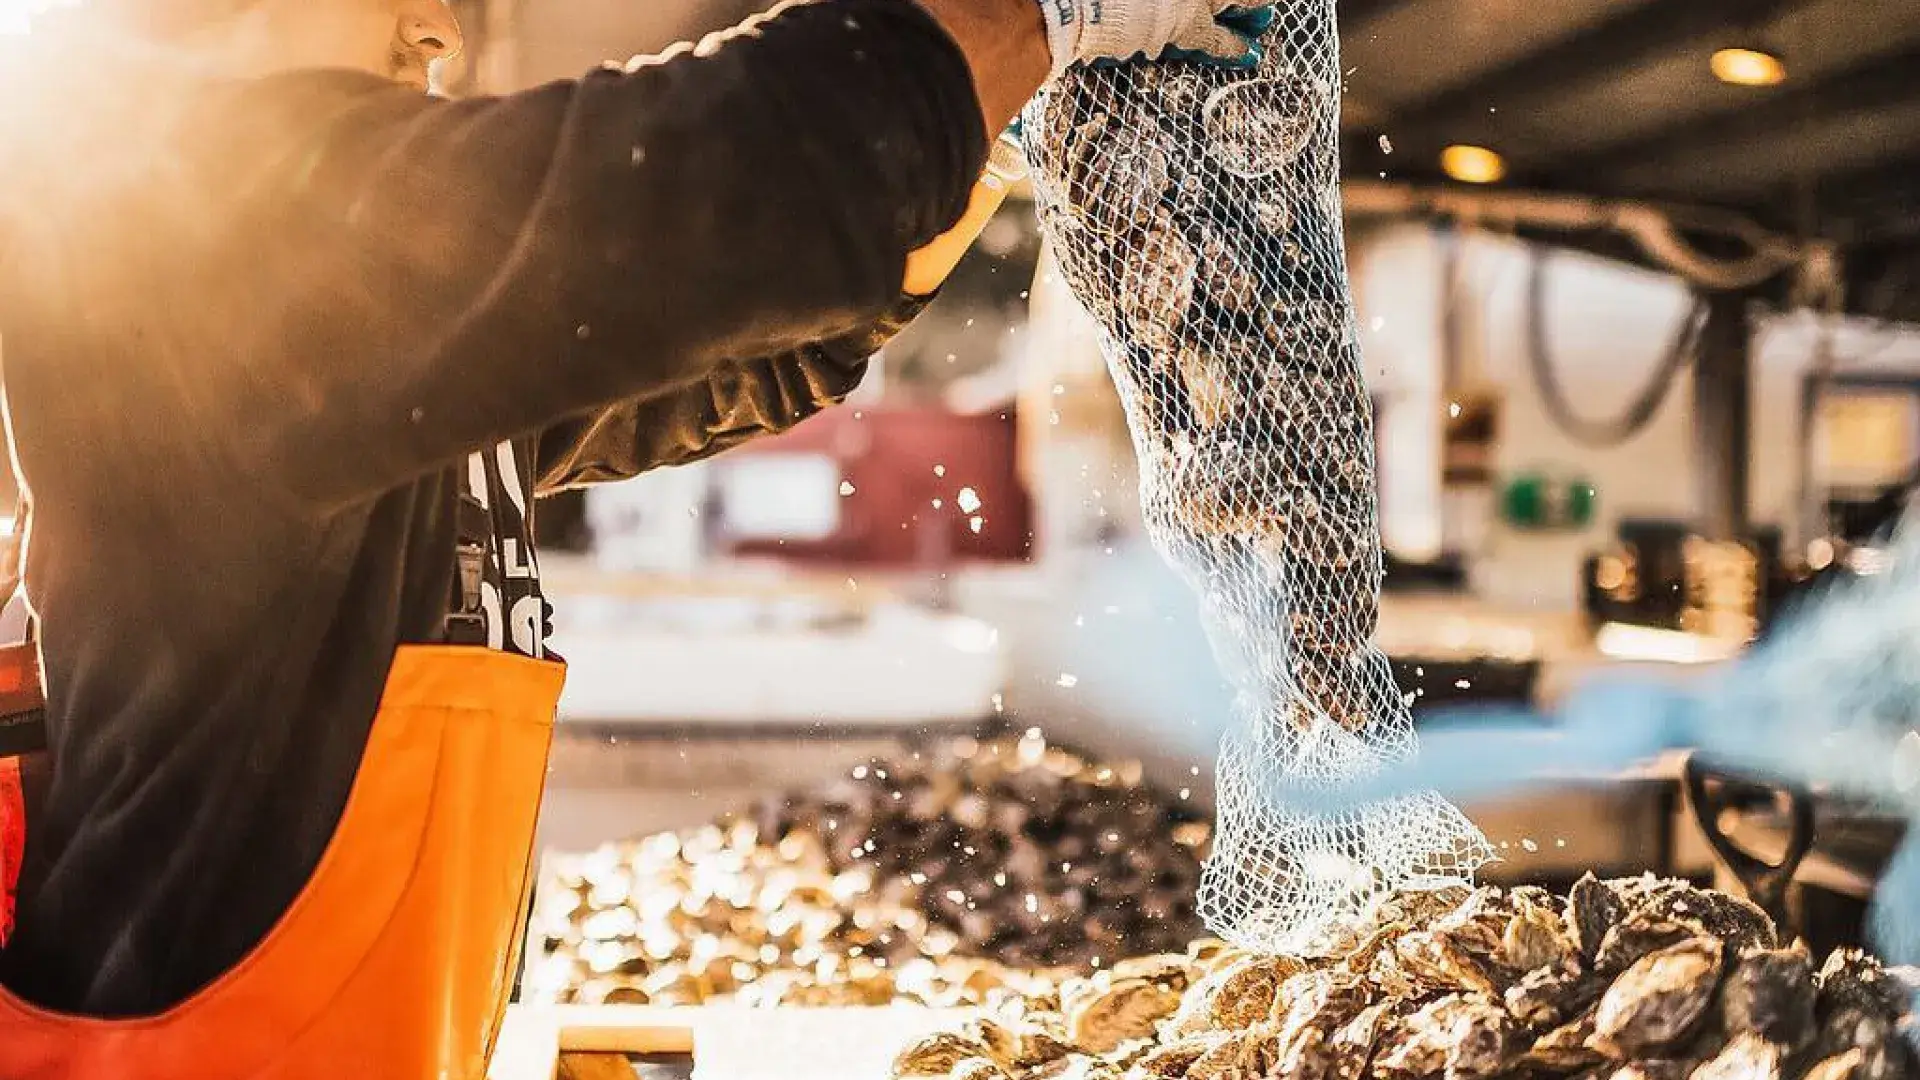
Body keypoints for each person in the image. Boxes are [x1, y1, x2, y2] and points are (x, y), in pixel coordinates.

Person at [0, 0, 1268, 1073]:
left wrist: (978, 142)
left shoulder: (344, 360)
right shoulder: (200, 251)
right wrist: (1021, 16)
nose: (436, 33)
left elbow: (735, 355)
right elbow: (682, 193)